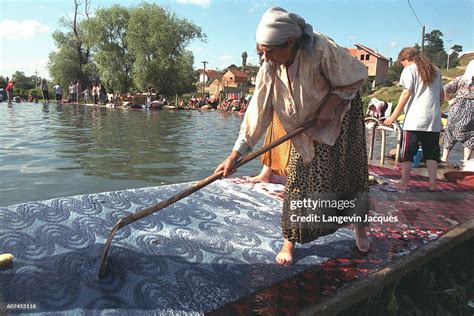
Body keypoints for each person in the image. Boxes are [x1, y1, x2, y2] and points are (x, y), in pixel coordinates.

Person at [214, 7, 370, 266]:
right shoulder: (270, 64)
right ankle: (290, 240)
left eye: (271, 51)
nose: (267, 57)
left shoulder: (321, 49)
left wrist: (330, 104)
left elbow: (356, 77)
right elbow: (259, 109)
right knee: (298, 180)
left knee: (350, 173)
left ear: (290, 42)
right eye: (262, 52)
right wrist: (236, 153)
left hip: (343, 113)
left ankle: (360, 228)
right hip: (306, 123)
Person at [383, 47, 443, 191]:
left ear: (407, 59)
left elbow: (406, 94)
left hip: (414, 120)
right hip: (433, 119)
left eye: (402, 62)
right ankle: (433, 184)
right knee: (432, 153)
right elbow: (441, 94)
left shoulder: (409, 70)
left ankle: (404, 183)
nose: (402, 65)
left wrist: (393, 116)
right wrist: (436, 110)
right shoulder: (436, 70)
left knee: (408, 154)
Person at [441, 60, 474, 165]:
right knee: (470, 137)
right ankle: (466, 162)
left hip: (456, 109)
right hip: (471, 112)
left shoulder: (460, 79)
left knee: (450, 133)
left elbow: (444, 89)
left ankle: (444, 158)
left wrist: (449, 100)